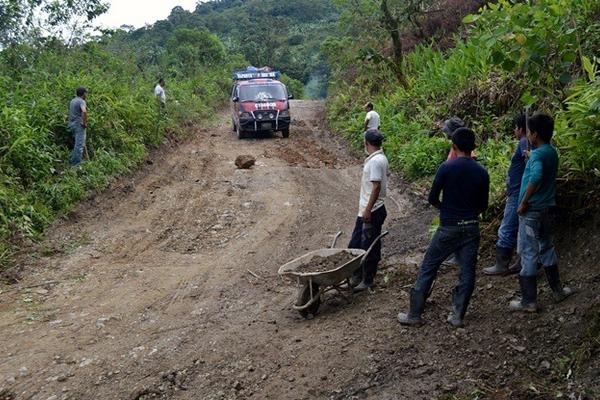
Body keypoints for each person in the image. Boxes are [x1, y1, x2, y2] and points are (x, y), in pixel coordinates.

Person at [398, 128, 489, 327]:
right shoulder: (482, 172)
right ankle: (457, 316)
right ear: (474, 147)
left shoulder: (446, 168)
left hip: (448, 226)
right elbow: (483, 206)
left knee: (429, 266)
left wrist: (445, 209)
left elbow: (432, 198)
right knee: (467, 272)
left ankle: (414, 314)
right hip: (471, 227)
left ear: (454, 147)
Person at [509, 113, 574, 312]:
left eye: (529, 131)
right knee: (547, 247)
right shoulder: (550, 151)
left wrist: (524, 202)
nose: (527, 135)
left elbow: (536, 177)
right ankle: (558, 291)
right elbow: (541, 167)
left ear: (534, 134)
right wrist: (532, 157)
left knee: (528, 252)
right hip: (545, 208)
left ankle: (528, 301)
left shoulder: (537, 154)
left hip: (531, 210)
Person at [484, 114, 528, 275]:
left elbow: (528, 161)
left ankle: (502, 264)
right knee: (519, 229)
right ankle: (521, 262)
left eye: (515, 128)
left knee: (507, 227)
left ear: (521, 129)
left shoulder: (524, 142)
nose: (514, 131)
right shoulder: (527, 142)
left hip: (517, 193)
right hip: (518, 191)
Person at [348, 129, 388, 292]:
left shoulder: (376, 161)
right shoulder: (378, 158)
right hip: (367, 210)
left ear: (367, 143)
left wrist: (367, 210)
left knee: (369, 246)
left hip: (372, 211)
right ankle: (357, 275)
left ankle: (368, 280)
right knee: (355, 244)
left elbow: (376, 187)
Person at [68, 87, 88, 166]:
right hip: (79, 125)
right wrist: (84, 122)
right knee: (79, 145)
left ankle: (73, 160)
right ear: (83, 94)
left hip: (72, 124)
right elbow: (84, 111)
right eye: (86, 93)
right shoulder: (81, 101)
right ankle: (76, 164)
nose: (86, 95)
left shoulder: (73, 101)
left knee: (76, 144)